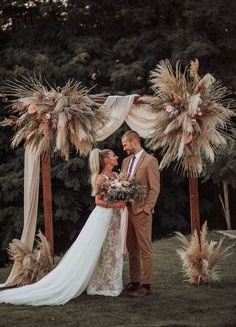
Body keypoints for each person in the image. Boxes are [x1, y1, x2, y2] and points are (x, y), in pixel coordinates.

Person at [0, 149, 126, 306]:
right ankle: (101, 286)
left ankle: (111, 283)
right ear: (106, 159)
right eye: (114, 155)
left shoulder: (116, 176)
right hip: (103, 216)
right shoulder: (101, 178)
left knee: (112, 249)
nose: (117, 157)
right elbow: (98, 202)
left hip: (114, 217)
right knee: (101, 250)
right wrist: (115, 204)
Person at [121, 130, 160, 298]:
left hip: (141, 211)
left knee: (145, 249)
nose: (124, 148)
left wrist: (147, 208)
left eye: (125, 145)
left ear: (135, 141)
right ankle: (135, 281)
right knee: (131, 248)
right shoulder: (125, 161)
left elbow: (155, 188)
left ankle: (147, 284)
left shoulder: (150, 161)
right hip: (126, 211)